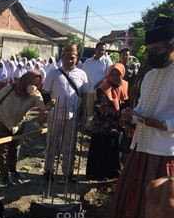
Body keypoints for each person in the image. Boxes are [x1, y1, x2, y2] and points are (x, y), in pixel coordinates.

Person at [112, 16, 174, 218]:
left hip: (164, 149)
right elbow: (140, 108)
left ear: (171, 46)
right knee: (135, 192)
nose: (151, 54)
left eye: (156, 49)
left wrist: (164, 124)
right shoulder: (150, 75)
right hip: (141, 143)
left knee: (161, 198)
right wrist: (131, 115)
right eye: (149, 50)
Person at [0, 71, 47, 185]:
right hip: (1, 120)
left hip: (18, 124)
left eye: (36, 84)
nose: (33, 86)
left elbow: (43, 105)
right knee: (3, 148)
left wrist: (48, 105)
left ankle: (12, 170)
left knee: (15, 147)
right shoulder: (11, 88)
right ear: (25, 81)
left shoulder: (35, 94)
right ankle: (5, 175)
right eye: (31, 83)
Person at [43, 44, 89, 182]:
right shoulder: (53, 74)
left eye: (72, 58)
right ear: (62, 58)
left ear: (77, 58)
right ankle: (48, 171)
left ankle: (67, 173)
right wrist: (48, 103)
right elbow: (45, 92)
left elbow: (85, 95)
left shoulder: (82, 74)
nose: (69, 60)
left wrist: (84, 113)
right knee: (51, 144)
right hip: (55, 115)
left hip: (72, 116)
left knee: (69, 146)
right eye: (67, 58)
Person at [86, 63, 129, 180]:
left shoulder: (125, 86)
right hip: (102, 125)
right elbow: (101, 106)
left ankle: (111, 173)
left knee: (112, 150)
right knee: (101, 149)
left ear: (123, 74)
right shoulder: (103, 88)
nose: (115, 77)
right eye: (112, 74)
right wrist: (108, 110)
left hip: (116, 125)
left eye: (118, 74)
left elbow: (127, 103)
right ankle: (97, 174)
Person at [82, 42, 113, 121]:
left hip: (100, 92)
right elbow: (82, 74)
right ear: (95, 50)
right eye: (99, 49)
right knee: (89, 111)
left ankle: (96, 128)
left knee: (99, 111)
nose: (101, 52)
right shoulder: (88, 62)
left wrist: (100, 83)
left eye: (103, 50)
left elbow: (109, 75)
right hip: (89, 90)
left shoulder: (107, 62)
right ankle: (89, 126)